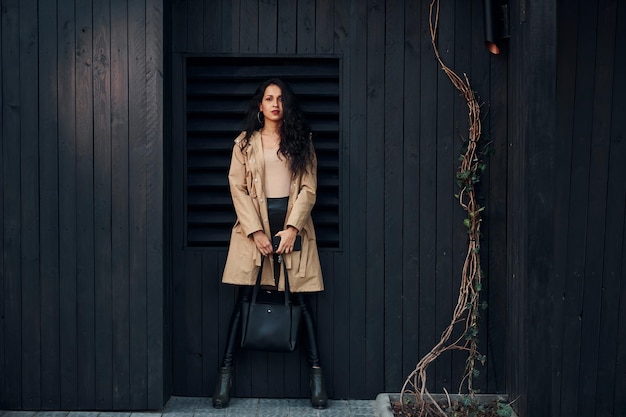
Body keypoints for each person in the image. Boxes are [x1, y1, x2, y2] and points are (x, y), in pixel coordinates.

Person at [212, 78, 327, 409]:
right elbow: (238, 189)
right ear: (259, 106)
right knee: (244, 299)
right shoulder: (244, 143)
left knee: (302, 304)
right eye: (268, 98)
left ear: (286, 105)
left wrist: (292, 228)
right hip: (255, 228)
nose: (275, 103)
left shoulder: (301, 141)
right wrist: (256, 232)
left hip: (293, 226)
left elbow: (309, 187)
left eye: (280, 98)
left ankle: (318, 382)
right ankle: (224, 379)